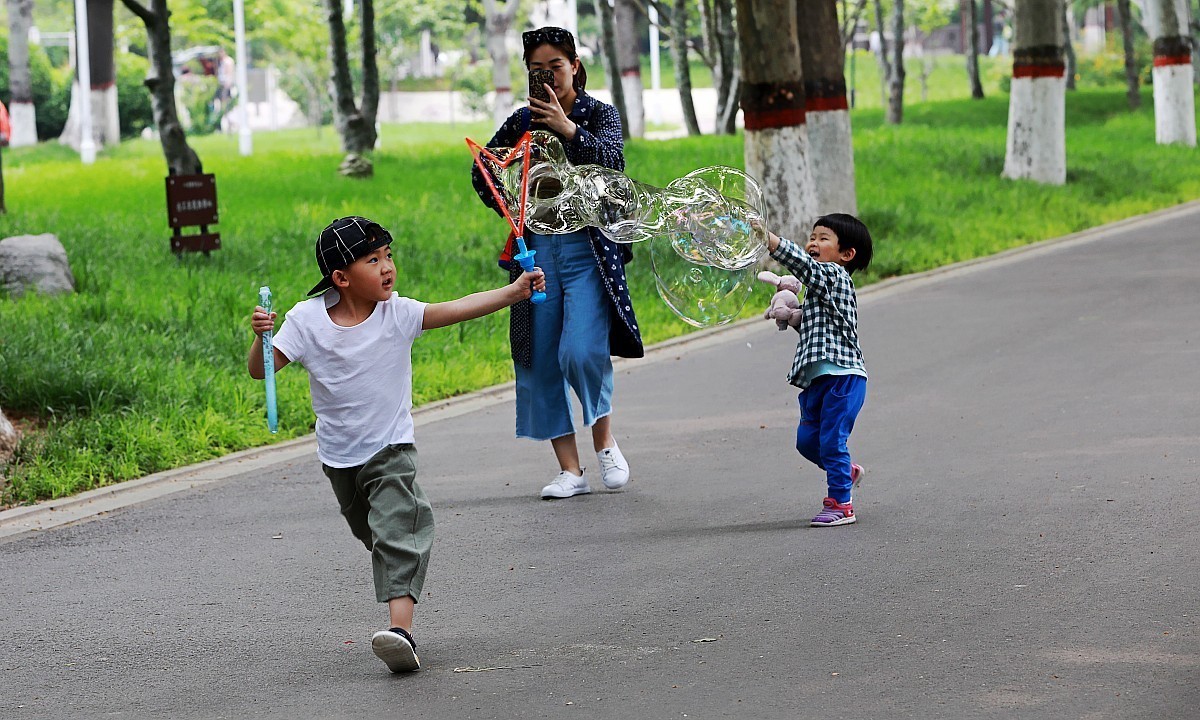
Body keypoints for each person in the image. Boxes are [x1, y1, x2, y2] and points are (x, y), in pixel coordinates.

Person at [247, 216, 544, 672]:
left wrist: (513, 292)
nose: (387, 267)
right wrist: (260, 339)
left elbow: (457, 307)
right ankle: (395, 581)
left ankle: (399, 631)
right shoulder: (305, 321)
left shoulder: (398, 313)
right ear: (341, 278)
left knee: (399, 530)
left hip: (391, 451)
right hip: (340, 459)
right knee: (375, 534)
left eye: (389, 256)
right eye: (373, 260)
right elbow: (260, 370)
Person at [470, 26, 644, 500]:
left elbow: (612, 165)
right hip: (536, 252)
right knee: (539, 358)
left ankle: (604, 440)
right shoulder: (521, 121)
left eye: (555, 68)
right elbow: (482, 170)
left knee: (582, 351)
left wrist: (567, 130)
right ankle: (570, 470)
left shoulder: (598, 114)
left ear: (575, 66)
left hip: (589, 252)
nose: (546, 78)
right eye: (535, 71)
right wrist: (508, 195)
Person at [761, 214, 874, 527]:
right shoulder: (818, 293)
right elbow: (816, 332)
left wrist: (770, 240)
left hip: (843, 377)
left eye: (824, 238)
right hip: (816, 381)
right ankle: (846, 471)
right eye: (813, 236)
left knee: (832, 441)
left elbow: (806, 267)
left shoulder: (834, 276)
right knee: (807, 441)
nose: (813, 242)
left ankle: (841, 503)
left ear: (845, 254)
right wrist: (793, 317)